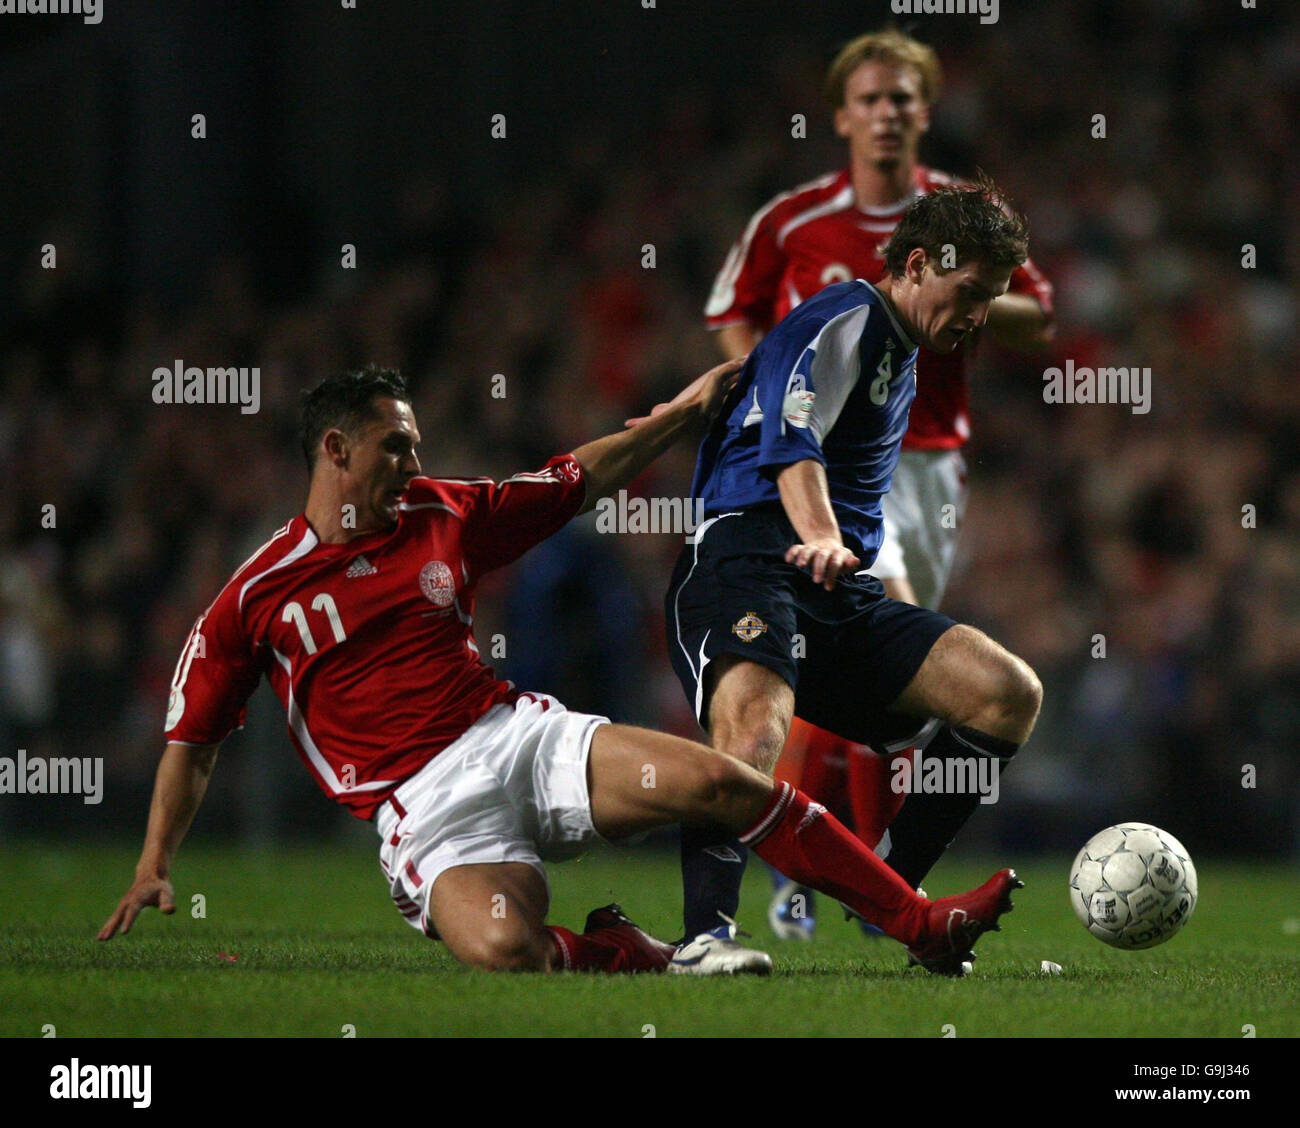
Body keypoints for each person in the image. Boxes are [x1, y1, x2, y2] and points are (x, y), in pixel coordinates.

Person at [99, 361, 1022, 975]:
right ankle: (630, 953)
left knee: (722, 780)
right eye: (396, 446)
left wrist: (678, 417)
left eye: (417, 444)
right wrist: (152, 864)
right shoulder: (256, 595)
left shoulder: (441, 513)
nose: (415, 460)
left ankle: (920, 924)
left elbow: (572, 481)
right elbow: (194, 739)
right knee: (506, 949)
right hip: (425, 809)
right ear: (335, 452)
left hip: (517, 738)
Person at [702, 29, 1055, 941]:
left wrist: (975, 298)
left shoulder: (958, 219)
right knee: (830, 658)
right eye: (871, 98)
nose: (888, 112)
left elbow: (1039, 318)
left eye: (904, 97)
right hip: (807, 483)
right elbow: (737, 324)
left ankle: (874, 886)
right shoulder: (798, 228)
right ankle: (835, 895)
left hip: (923, 461)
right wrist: (774, 397)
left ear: (924, 112)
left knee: (925, 708)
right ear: (843, 116)